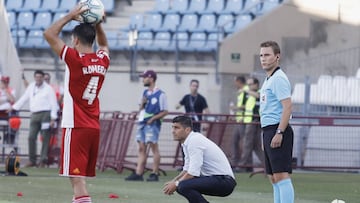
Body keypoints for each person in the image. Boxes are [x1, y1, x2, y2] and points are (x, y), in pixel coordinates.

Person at [43, 3, 110, 203]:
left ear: (76, 40)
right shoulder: (101, 61)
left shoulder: (75, 60)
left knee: (77, 179)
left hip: (76, 125)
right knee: (78, 179)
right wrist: (97, 24)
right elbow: (104, 45)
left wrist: (70, 15)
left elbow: (49, 34)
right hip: (93, 126)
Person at [163, 116, 237, 203]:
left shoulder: (194, 141)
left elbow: (193, 173)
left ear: (187, 130)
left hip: (224, 181)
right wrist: (174, 181)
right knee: (181, 186)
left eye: (176, 128)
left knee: (183, 186)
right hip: (217, 179)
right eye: (173, 127)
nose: (173, 131)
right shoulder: (187, 142)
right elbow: (187, 169)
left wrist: (176, 184)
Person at [259, 41, 294, 203]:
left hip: (278, 129)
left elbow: (287, 107)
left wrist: (279, 132)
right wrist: (264, 136)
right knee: (273, 177)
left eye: (267, 55)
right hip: (268, 130)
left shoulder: (279, 78)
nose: (263, 59)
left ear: (277, 56)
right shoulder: (268, 79)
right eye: (261, 55)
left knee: (281, 175)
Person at [125, 69, 168, 182]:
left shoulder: (161, 94)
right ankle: (139, 173)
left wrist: (153, 118)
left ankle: (155, 173)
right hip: (142, 122)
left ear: (151, 78)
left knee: (154, 147)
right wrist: (142, 105)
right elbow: (141, 108)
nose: (143, 80)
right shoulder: (144, 93)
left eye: (144, 77)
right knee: (141, 148)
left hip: (153, 124)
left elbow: (165, 111)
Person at [11, 70, 58, 168]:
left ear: (42, 78)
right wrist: (14, 107)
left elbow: (54, 103)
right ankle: (32, 160)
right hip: (34, 114)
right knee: (31, 137)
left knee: (45, 138)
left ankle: (43, 160)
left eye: (40, 77)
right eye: (37, 77)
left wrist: (53, 118)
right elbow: (24, 98)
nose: (38, 79)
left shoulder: (48, 89)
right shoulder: (31, 87)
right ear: (34, 77)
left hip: (45, 114)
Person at [237, 77, 264, 172]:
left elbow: (258, 96)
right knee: (256, 146)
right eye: (248, 85)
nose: (249, 86)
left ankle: (241, 165)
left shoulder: (261, 91)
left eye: (250, 84)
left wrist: (246, 91)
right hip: (249, 121)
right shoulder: (249, 94)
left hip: (254, 121)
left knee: (247, 144)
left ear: (256, 84)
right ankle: (267, 165)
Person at [229, 75, 249, 169]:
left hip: (243, 120)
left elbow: (247, 106)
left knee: (245, 142)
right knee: (234, 141)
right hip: (239, 119)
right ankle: (234, 162)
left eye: (235, 81)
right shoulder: (241, 91)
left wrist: (234, 108)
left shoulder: (246, 91)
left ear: (238, 81)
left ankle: (244, 164)